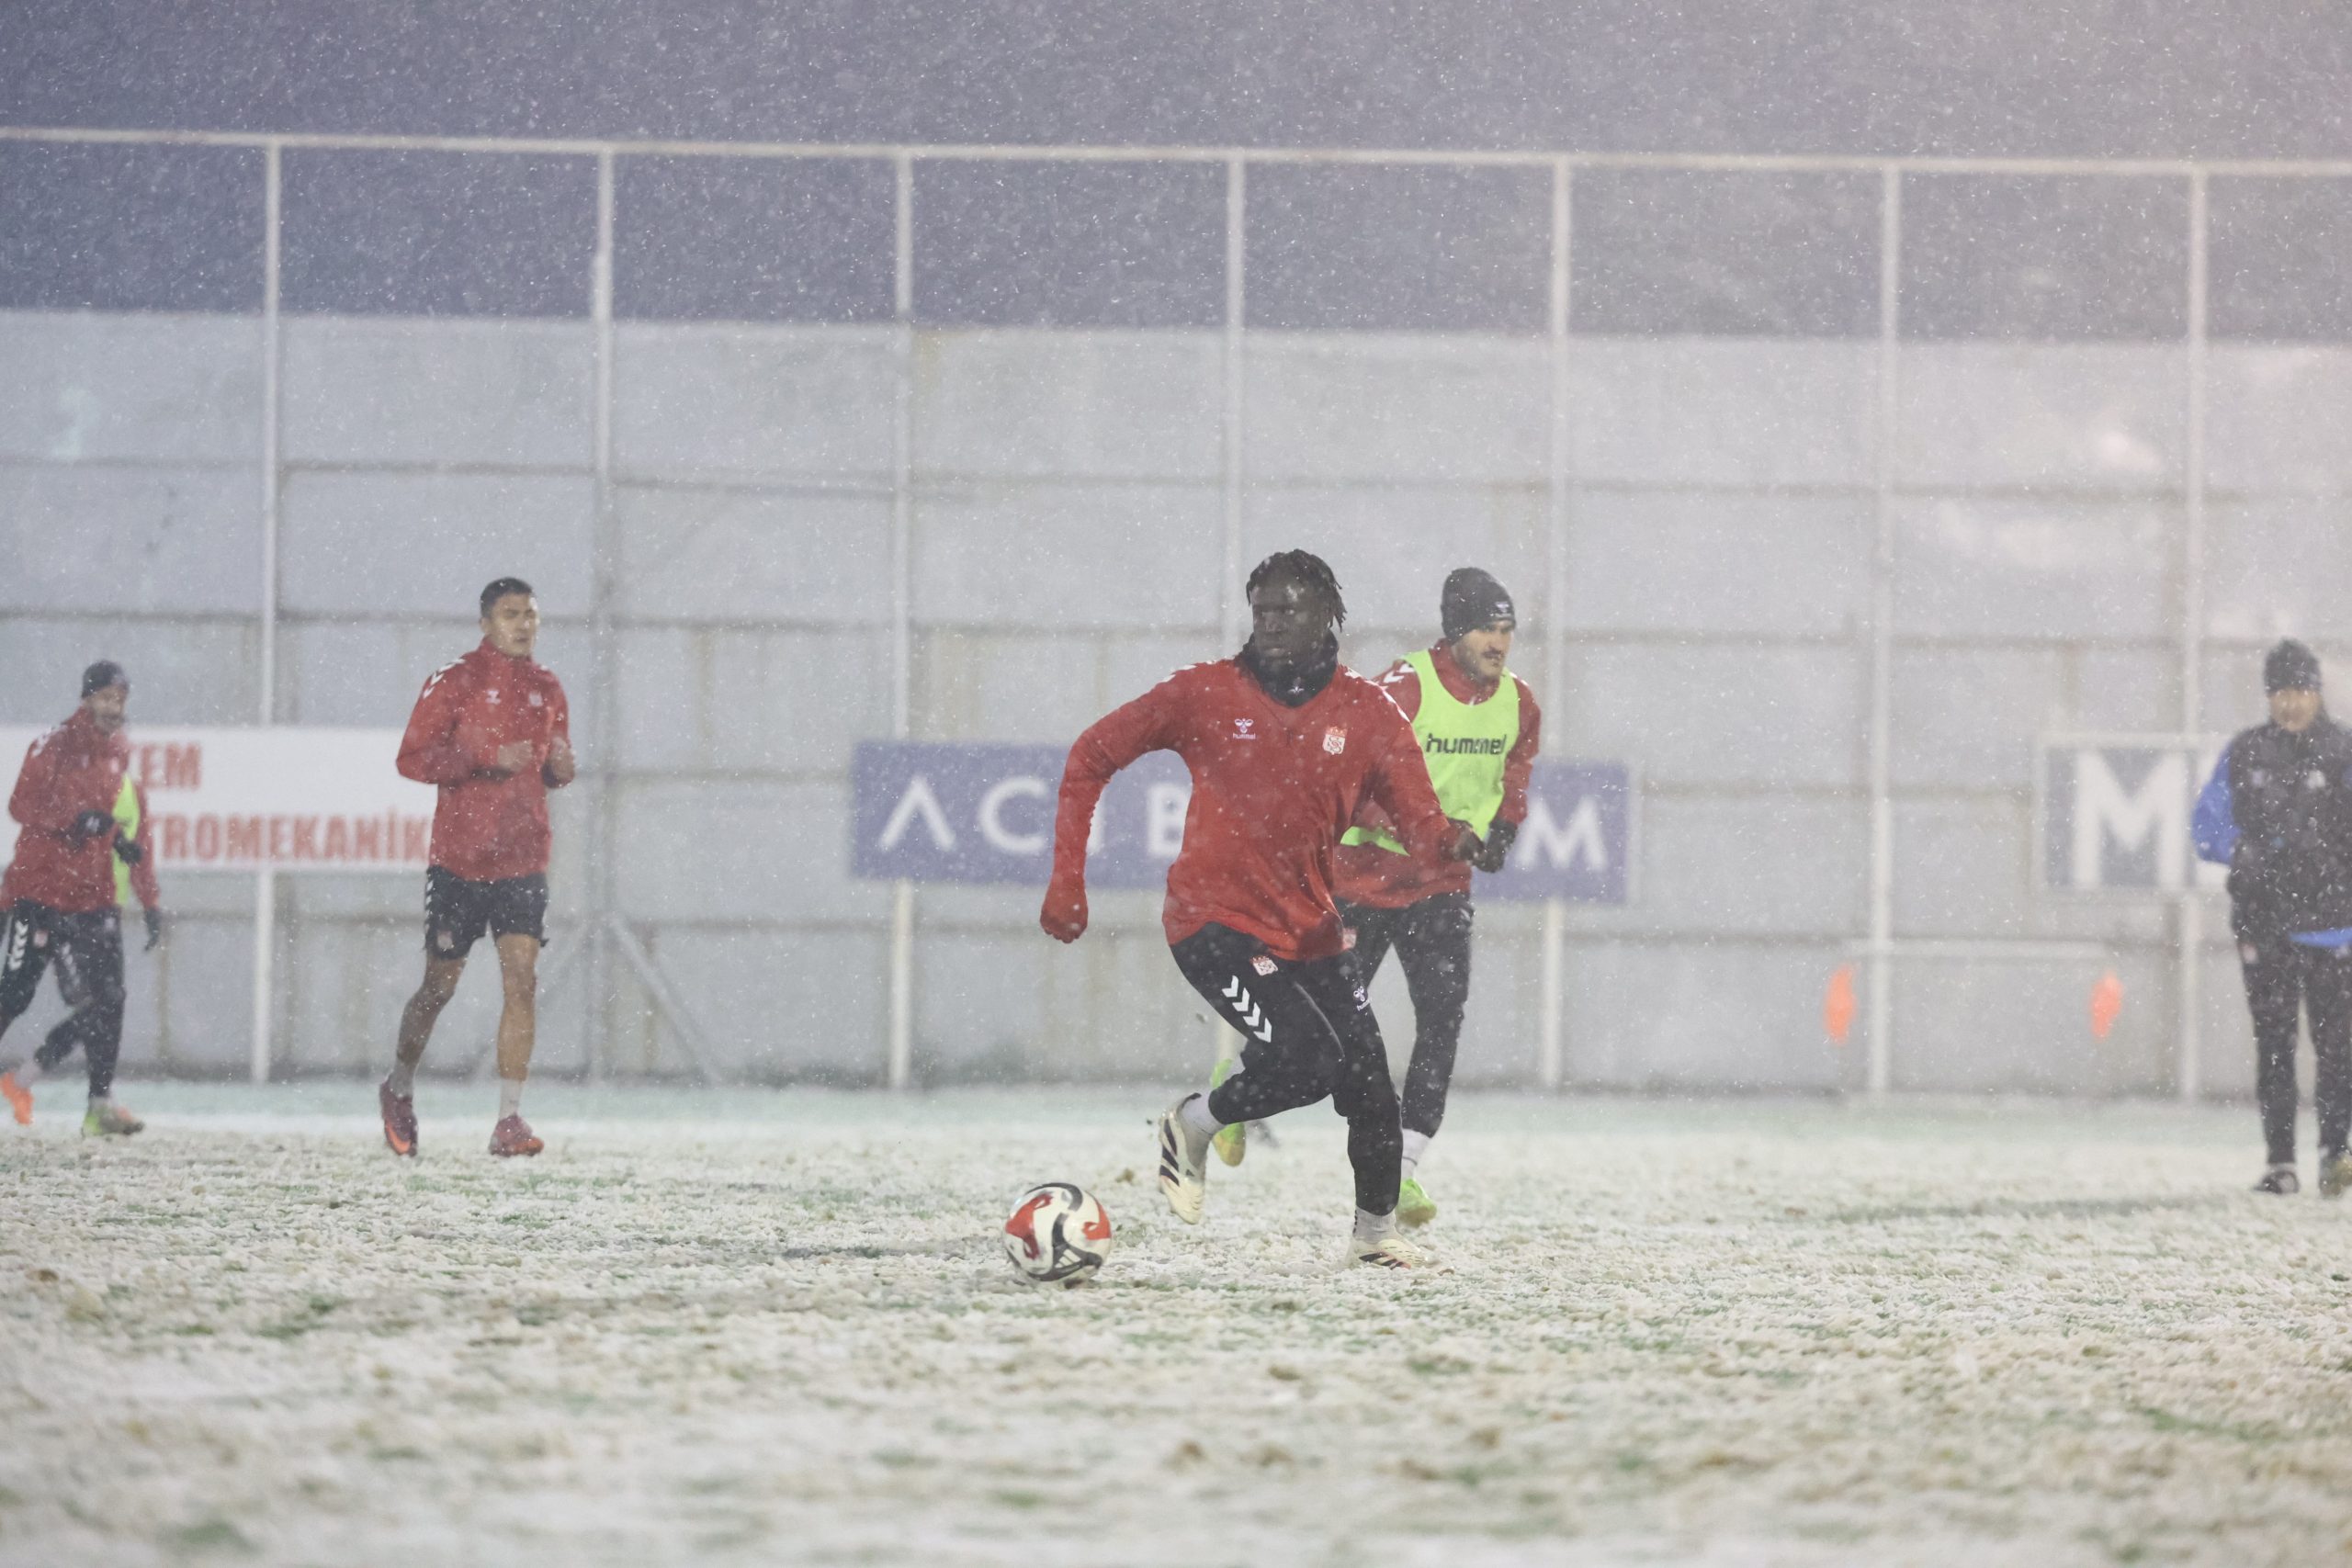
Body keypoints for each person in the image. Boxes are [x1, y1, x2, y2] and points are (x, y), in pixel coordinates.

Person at [1039, 549, 1477, 1269]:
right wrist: (1067, 880)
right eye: (1262, 610)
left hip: (1313, 927)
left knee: (1367, 1075)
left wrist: (1455, 840)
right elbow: (1091, 754)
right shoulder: (1205, 693)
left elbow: (1422, 824)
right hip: (1212, 922)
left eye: (1288, 610)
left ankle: (1373, 1235)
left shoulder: (1370, 713)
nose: (1271, 623)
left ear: (1328, 617)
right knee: (1308, 1060)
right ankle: (1193, 1123)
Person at [1306, 567, 1544, 1229]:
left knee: (1443, 1018)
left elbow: (1515, 770)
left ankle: (1404, 1168)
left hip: (1440, 889)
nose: (1498, 642)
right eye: (1484, 629)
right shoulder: (1403, 688)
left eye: (1506, 629)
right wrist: (1413, 829)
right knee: (1320, 1035)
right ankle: (1229, 1094)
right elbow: (1347, 771)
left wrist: (1503, 831)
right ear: (1453, 630)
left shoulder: (1520, 702)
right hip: (1364, 881)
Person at [379, 579, 574, 1158]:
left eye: (532, 615)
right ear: (485, 622)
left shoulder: (547, 687)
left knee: (522, 980)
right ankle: (399, 1088)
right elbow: (411, 759)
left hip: (523, 858)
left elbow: (552, 766)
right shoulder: (456, 680)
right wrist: (483, 758)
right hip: (461, 861)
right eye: (511, 614)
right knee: (440, 985)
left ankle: (508, 1120)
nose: (523, 625)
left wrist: (561, 769)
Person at [2192, 638, 2352, 1197]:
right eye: (2281, 692)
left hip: (2334, 924)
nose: (2291, 703)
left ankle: (2337, 1154)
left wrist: (2329, 860)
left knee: (2337, 1045)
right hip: (2263, 925)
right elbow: (2206, 826)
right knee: (2275, 1043)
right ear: (2269, 696)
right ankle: (2280, 1164)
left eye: (2301, 691)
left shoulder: (2342, 752)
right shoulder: (2245, 753)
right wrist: (2241, 852)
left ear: (2317, 693)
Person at [0, 661, 167, 1136]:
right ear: (87, 698)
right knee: (14, 995)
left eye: (121, 701)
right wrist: (74, 820)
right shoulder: (54, 744)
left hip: (91, 895)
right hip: (39, 893)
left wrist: (118, 844)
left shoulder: (117, 754)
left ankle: (99, 1104)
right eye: (108, 699)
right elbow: (21, 805)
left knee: (109, 999)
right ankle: (27, 1081)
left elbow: (106, 818)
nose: (115, 709)